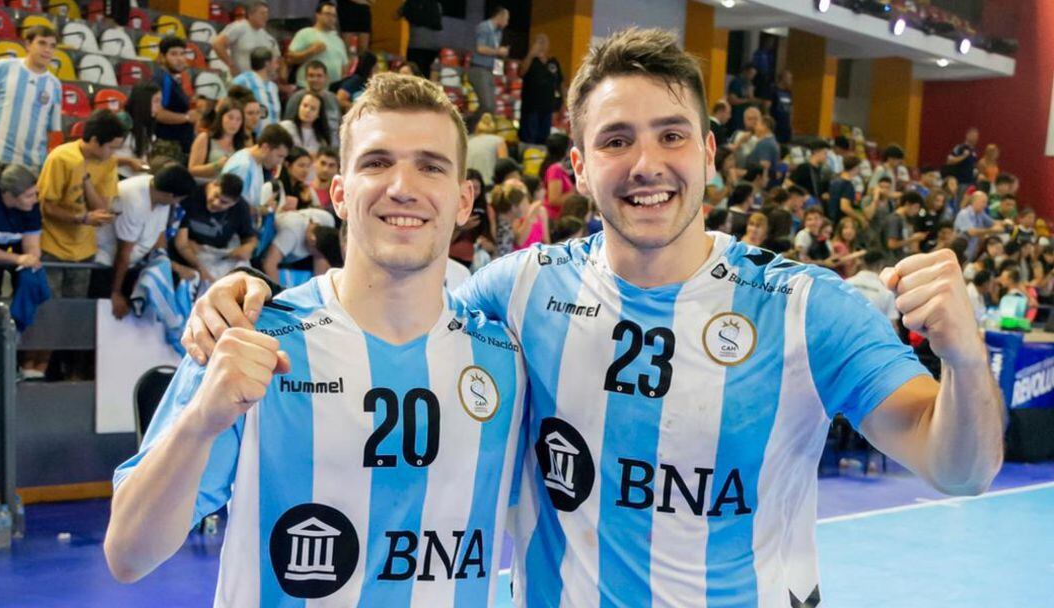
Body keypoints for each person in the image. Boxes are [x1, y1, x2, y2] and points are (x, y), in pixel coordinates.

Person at [183, 29, 1005, 606]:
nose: (646, 165)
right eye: (616, 140)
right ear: (578, 166)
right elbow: (385, 300)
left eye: (671, 135)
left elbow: (957, 467)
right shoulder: (516, 290)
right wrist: (243, 297)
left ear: (710, 153)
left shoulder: (802, 306)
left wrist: (966, 362)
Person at [105, 73, 527, 608]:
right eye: (376, 163)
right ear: (339, 194)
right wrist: (200, 423)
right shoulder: (252, 336)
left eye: (431, 166)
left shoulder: (506, 361)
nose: (402, 186)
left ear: (465, 199)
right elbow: (127, 555)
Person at [37, 110, 124, 298]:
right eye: (111, 147)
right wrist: (82, 218)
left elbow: (102, 209)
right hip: (52, 247)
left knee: (75, 312)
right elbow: (47, 207)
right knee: (49, 309)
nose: (113, 153)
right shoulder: (61, 158)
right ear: (94, 140)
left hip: (84, 250)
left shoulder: (109, 163)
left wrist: (85, 179)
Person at [95, 163, 197, 318]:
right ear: (171, 195)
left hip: (135, 263)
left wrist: (165, 266)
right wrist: (116, 292)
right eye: (179, 199)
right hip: (109, 264)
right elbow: (123, 252)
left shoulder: (160, 191)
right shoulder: (133, 199)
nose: (177, 204)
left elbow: (159, 234)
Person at [0, 25, 61, 174]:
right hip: (0, 158)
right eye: (42, 43)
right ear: (27, 44)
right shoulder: (4, 67)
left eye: (52, 46)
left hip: (34, 165)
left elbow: (55, 130)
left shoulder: (55, 85)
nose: (47, 50)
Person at [173, 174, 257, 282]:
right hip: (190, 251)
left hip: (220, 253)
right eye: (216, 195)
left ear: (234, 203)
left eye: (224, 202)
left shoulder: (241, 207)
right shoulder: (190, 196)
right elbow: (180, 243)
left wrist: (249, 247)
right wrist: (201, 269)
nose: (216, 203)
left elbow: (250, 238)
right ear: (212, 185)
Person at [0, 164, 41, 296]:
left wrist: (31, 259)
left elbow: (32, 244)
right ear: (9, 195)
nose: (34, 200)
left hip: (11, 245)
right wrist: (18, 259)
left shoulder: (32, 205)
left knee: (29, 283)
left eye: (36, 194)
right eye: (28, 196)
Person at [222, 123, 294, 212]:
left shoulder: (257, 162)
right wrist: (264, 210)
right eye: (279, 156)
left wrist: (266, 206)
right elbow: (234, 207)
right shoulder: (243, 167)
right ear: (265, 147)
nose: (280, 162)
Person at [151, 36, 199, 159]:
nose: (179, 59)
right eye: (173, 54)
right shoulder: (163, 79)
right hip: (169, 149)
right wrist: (187, 117)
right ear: (162, 57)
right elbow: (158, 114)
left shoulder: (171, 79)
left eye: (182, 54)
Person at [260, 206, 339, 279]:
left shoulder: (327, 220)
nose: (320, 259)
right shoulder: (291, 234)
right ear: (312, 242)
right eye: (318, 254)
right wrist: (281, 292)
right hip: (265, 245)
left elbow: (320, 259)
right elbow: (269, 264)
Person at [286, 2, 349, 89]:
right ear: (318, 15)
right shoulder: (305, 33)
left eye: (334, 16)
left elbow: (344, 68)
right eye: (327, 14)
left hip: (332, 89)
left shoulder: (339, 40)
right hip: (308, 87)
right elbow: (290, 59)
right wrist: (311, 51)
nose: (331, 18)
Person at [210, 0, 280, 77]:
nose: (265, 17)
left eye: (267, 14)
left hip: (260, 83)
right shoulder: (239, 27)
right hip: (240, 82)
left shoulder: (269, 38)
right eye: (262, 13)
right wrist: (231, 65)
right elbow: (217, 44)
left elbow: (275, 61)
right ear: (250, 14)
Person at [466, 6, 509, 131]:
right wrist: (498, 51)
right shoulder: (484, 27)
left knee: (491, 107)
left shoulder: (498, 32)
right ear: (499, 16)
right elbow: (480, 48)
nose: (507, 22)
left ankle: (474, 128)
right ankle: (468, 126)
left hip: (489, 70)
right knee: (487, 104)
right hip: (479, 69)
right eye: (506, 19)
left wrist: (500, 53)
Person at [283, 61, 342, 150]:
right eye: (311, 75)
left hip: (334, 149)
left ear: (326, 78)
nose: (315, 79)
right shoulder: (296, 98)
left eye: (319, 76)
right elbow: (289, 127)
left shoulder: (333, 99)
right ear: (305, 78)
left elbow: (339, 124)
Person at [189, 99, 247, 183]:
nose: (234, 123)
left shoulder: (241, 147)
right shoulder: (205, 138)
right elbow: (192, 170)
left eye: (238, 119)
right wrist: (217, 165)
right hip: (203, 189)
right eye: (230, 117)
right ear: (221, 117)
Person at [518, 34, 563, 145]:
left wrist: (563, 103)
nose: (542, 45)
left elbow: (560, 83)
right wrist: (531, 55)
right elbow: (521, 72)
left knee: (544, 139)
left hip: (547, 107)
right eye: (539, 42)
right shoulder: (530, 61)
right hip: (531, 108)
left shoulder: (553, 62)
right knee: (529, 139)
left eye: (544, 42)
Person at [231, 48, 281, 132]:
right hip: (250, 139)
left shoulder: (273, 87)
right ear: (267, 64)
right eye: (275, 63)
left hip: (272, 139)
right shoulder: (242, 81)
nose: (277, 66)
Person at [845, 250, 898, 322]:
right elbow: (892, 325)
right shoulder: (886, 292)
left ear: (863, 263)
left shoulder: (845, 283)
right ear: (881, 265)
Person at [954, 191, 1005, 261]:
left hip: (971, 254)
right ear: (974, 201)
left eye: (986, 202)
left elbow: (993, 223)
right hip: (960, 253)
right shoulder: (964, 214)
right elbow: (972, 232)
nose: (985, 205)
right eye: (983, 202)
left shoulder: (980, 214)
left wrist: (1005, 223)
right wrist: (992, 230)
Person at [279, 91, 333, 156]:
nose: (307, 110)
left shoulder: (321, 140)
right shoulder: (285, 127)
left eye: (313, 109)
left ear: (318, 114)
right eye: (305, 105)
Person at [465, 113, 508, 189]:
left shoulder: (469, 141)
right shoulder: (498, 140)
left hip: (468, 186)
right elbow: (504, 166)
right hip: (489, 186)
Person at [402, 0, 444, 76]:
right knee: (426, 70)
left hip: (416, 43)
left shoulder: (413, 3)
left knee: (413, 70)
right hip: (433, 44)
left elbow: (398, 14)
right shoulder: (436, 4)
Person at [885, 191, 927, 265]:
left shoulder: (906, 219)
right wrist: (912, 239)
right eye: (916, 207)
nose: (916, 211)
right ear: (907, 204)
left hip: (900, 259)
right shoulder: (894, 219)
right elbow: (892, 244)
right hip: (891, 261)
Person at [540, 132, 573, 221]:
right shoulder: (555, 169)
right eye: (570, 145)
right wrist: (576, 192)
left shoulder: (557, 167)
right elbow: (554, 200)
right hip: (554, 218)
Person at [277, 147, 320, 211]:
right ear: (287, 165)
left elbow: (319, 212)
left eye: (308, 166)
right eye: (301, 165)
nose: (305, 170)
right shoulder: (276, 187)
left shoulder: (307, 189)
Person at [828, 155, 860, 227]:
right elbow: (845, 207)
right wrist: (860, 218)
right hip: (841, 222)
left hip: (832, 218)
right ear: (855, 168)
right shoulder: (847, 185)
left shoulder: (835, 179)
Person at [726, 63, 757, 133]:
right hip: (736, 117)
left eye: (754, 75)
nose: (752, 77)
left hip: (745, 118)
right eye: (751, 74)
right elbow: (732, 100)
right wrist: (747, 100)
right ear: (745, 71)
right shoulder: (736, 82)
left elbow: (751, 100)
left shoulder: (749, 84)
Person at [768, 69, 793, 144]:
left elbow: (791, 109)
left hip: (786, 125)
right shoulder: (773, 90)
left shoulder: (788, 92)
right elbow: (767, 107)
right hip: (776, 124)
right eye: (789, 78)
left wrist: (790, 124)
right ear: (784, 78)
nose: (791, 80)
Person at [312, 146, 339, 211]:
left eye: (331, 165)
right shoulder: (302, 190)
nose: (325, 169)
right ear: (315, 162)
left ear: (337, 169)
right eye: (322, 163)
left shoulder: (340, 196)